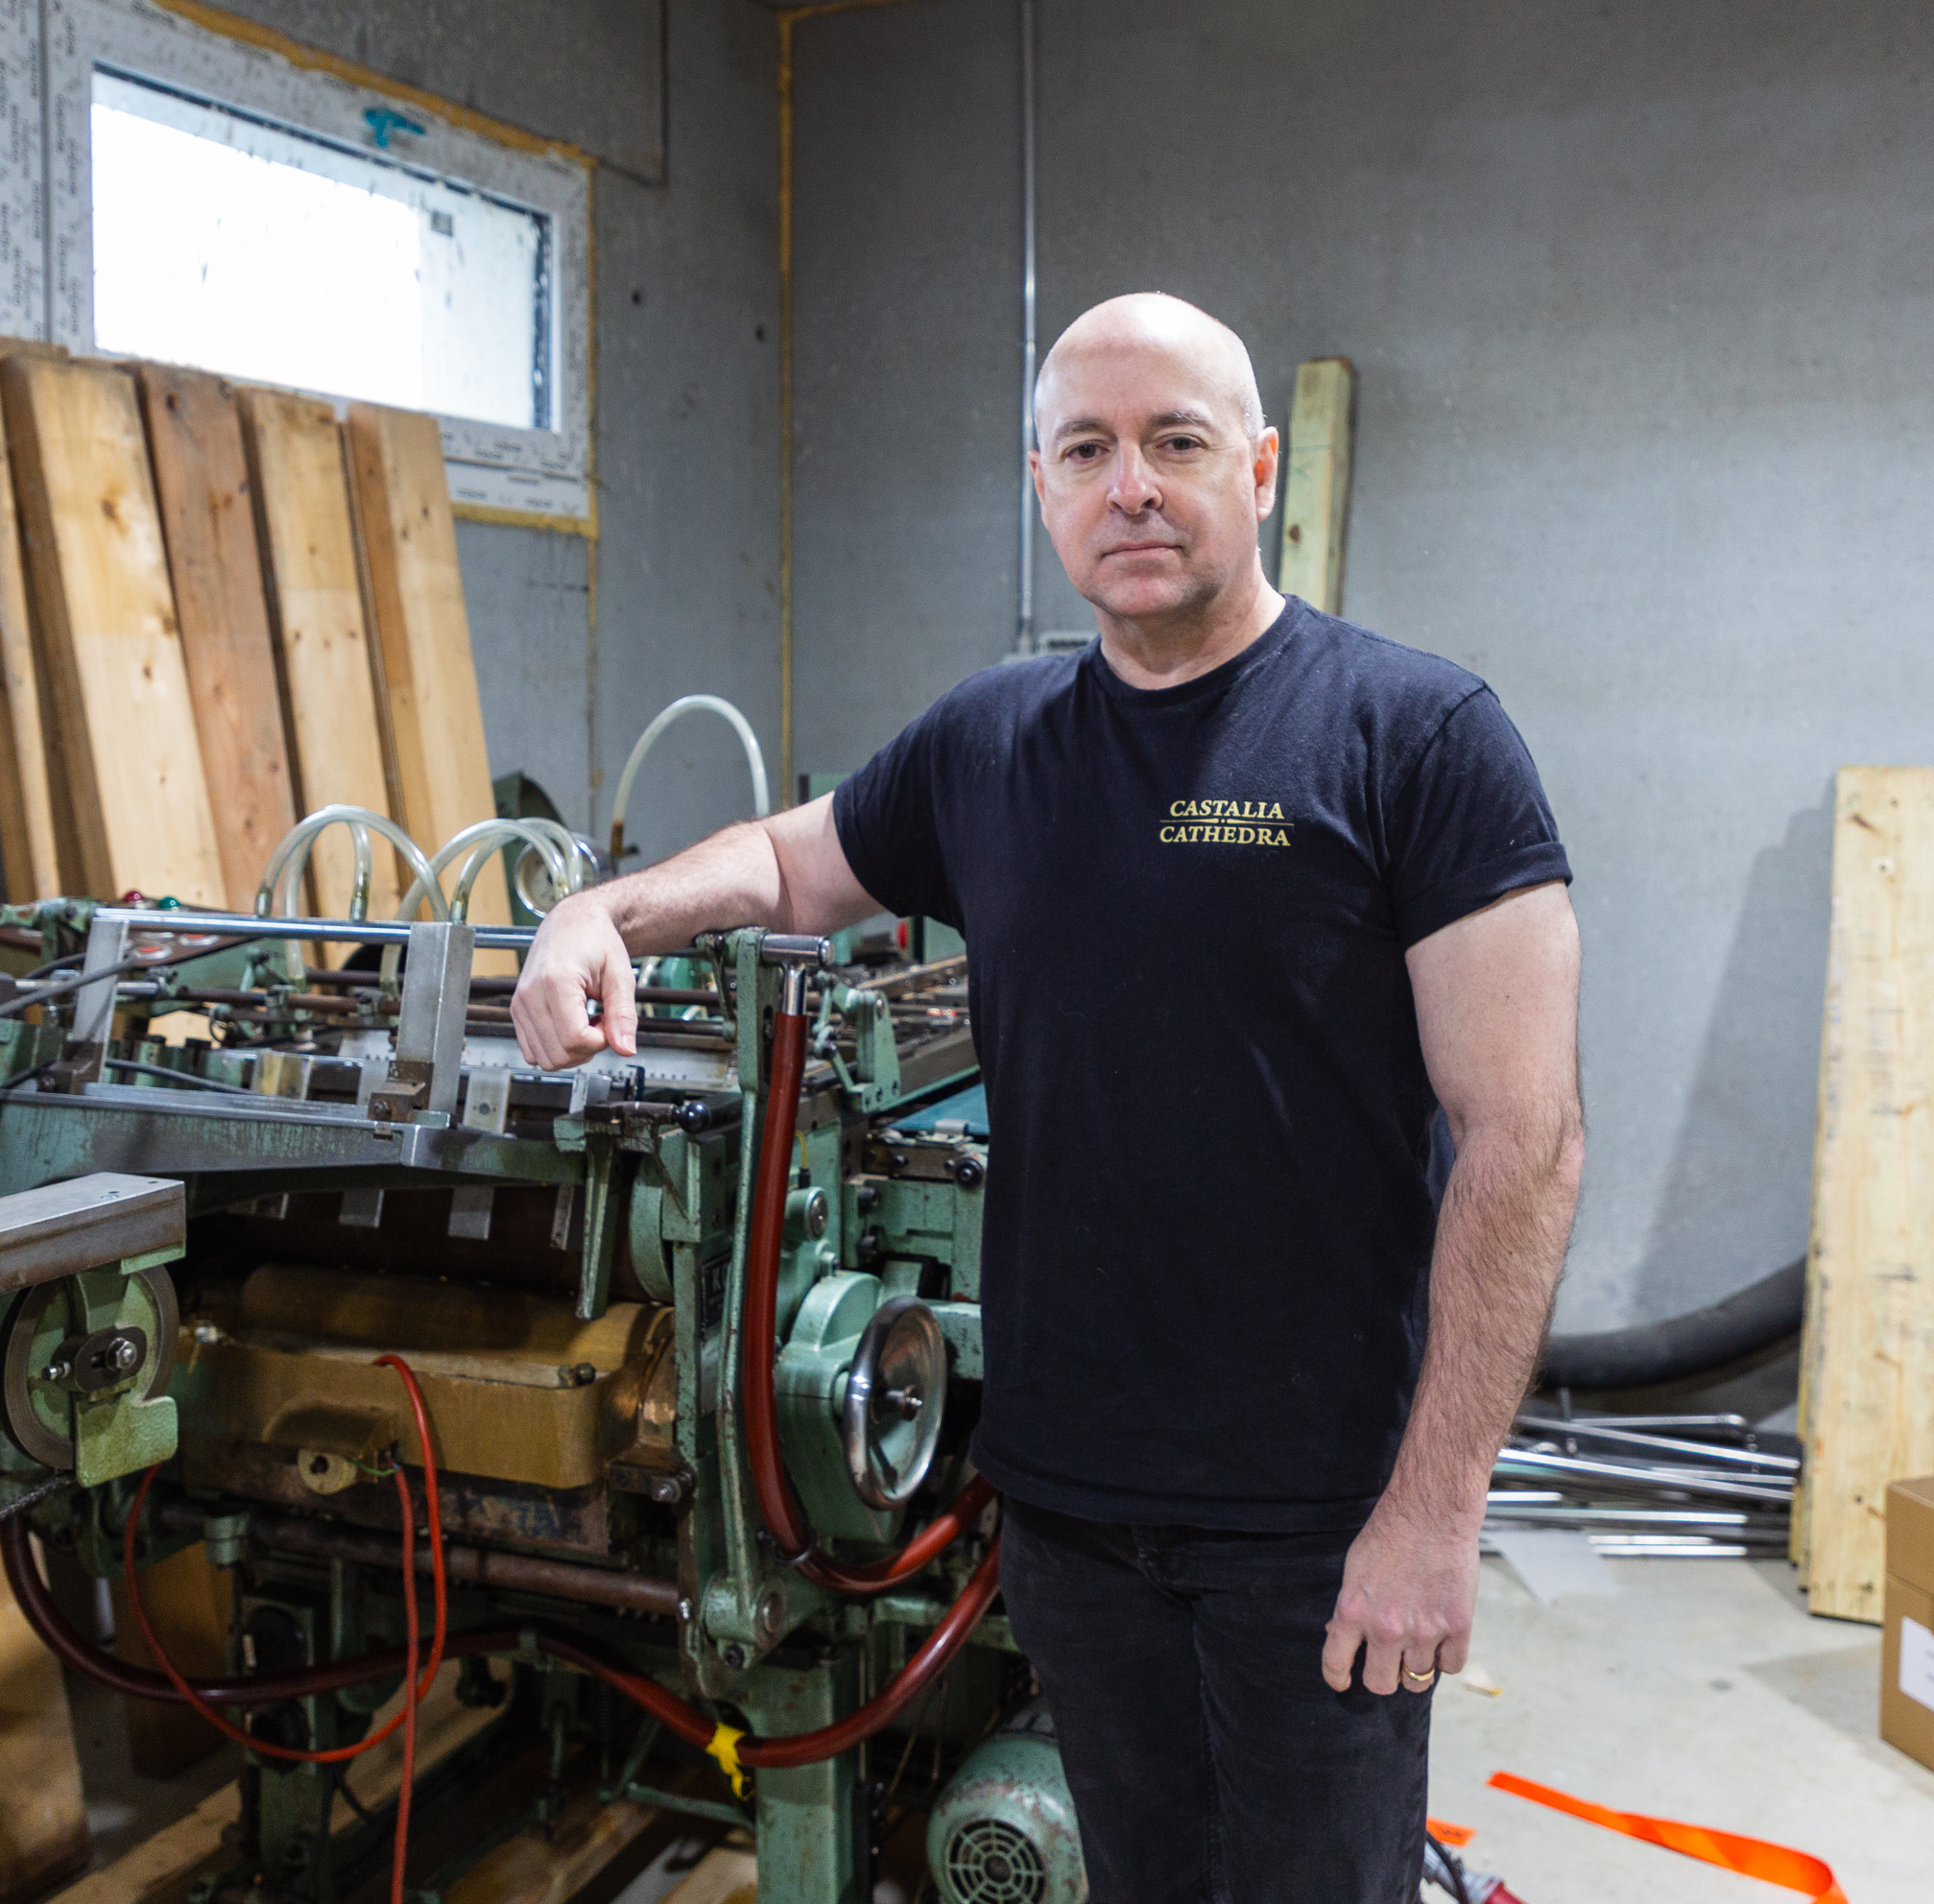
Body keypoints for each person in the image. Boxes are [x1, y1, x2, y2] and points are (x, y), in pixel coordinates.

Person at [512, 292, 1583, 1902]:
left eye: (1174, 442)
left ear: (1262, 468)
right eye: (1087, 449)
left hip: (1316, 1515)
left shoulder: (1415, 735)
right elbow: (793, 861)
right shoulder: (990, 740)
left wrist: (1435, 1516)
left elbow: (1527, 1143)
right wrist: (601, 913)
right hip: (1069, 1505)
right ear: (1040, 485)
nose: (1129, 486)